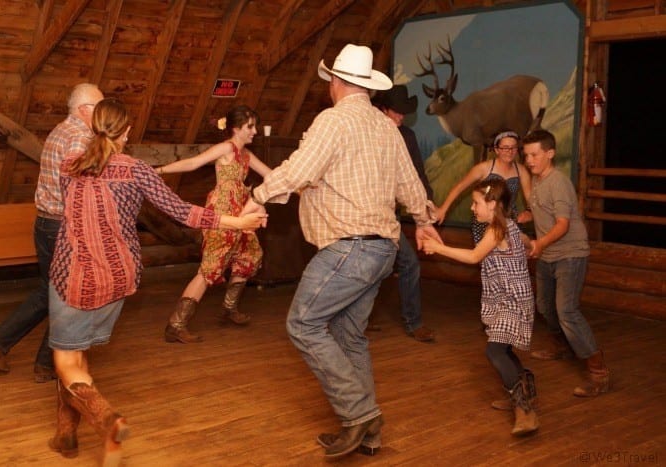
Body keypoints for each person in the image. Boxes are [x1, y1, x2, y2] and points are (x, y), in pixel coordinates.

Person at [241, 44, 440, 459]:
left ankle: (360, 413)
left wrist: (257, 197)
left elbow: (298, 170)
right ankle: (369, 437)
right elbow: (410, 185)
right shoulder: (387, 128)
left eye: (329, 81)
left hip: (349, 249)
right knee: (350, 336)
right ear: (365, 85)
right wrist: (423, 222)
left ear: (335, 82)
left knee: (303, 323)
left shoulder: (332, 122)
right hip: (382, 249)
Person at [46, 98, 265, 465]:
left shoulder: (68, 166)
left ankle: (106, 419)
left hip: (75, 274)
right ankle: (65, 435)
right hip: (118, 275)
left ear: (92, 128)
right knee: (78, 356)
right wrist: (237, 222)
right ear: (127, 132)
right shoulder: (137, 170)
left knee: (66, 361)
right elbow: (184, 213)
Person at [0, 83, 104, 383]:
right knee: (67, 295)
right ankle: (45, 363)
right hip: (64, 227)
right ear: (86, 110)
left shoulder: (59, 130)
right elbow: (76, 189)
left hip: (46, 223)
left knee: (51, 290)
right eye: (100, 106)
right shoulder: (80, 138)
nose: (102, 113)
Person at [422, 179, 538, 436]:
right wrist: (532, 247)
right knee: (504, 349)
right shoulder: (509, 227)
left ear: (492, 204)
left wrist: (438, 247)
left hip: (512, 300)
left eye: (476, 203)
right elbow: (527, 240)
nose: (473, 209)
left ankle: (525, 410)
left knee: (495, 351)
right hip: (509, 297)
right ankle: (524, 393)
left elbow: (474, 257)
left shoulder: (496, 230)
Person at [156, 105, 271, 343]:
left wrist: (303, 183)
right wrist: (160, 170)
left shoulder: (247, 155)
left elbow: (272, 175)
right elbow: (192, 164)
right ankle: (175, 325)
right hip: (221, 216)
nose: (255, 131)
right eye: (250, 126)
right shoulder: (226, 148)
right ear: (236, 128)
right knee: (210, 268)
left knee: (249, 256)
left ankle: (229, 309)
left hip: (242, 214)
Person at [522, 129, 609, 397]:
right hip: (549, 254)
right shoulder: (538, 181)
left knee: (567, 311)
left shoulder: (558, 182)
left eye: (534, 154)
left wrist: (539, 244)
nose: (529, 160)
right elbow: (543, 211)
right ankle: (562, 348)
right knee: (545, 307)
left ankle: (599, 373)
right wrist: (525, 217)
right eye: (526, 155)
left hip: (570, 254)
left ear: (550, 153)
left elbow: (562, 224)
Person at [371, 85, 436, 343]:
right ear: (383, 110)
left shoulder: (406, 136)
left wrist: (428, 203)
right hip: (367, 215)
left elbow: (417, 173)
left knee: (408, 264)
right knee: (372, 269)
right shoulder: (371, 134)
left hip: (391, 218)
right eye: (396, 112)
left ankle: (414, 322)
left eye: (403, 114)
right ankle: (356, 320)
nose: (400, 118)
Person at [436, 130, 532, 243]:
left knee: (509, 254)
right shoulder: (483, 168)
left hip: (510, 219)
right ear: (497, 150)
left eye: (513, 147)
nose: (509, 151)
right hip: (485, 220)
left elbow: (530, 197)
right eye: (505, 148)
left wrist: (529, 211)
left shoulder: (521, 170)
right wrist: (443, 209)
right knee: (485, 255)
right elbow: (459, 187)